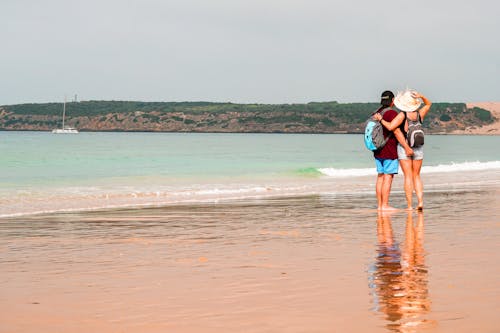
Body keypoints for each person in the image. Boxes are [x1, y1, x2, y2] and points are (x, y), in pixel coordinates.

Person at [374, 90, 432, 211]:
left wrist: (381, 120)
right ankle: (420, 202)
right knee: (417, 176)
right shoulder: (419, 114)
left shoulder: (402, 115)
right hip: (418, 147)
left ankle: (410, 206)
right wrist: (421, 96)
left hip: (404, 148)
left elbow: (391, 127)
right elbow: (428, 104)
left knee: (408, 177)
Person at [373, 91, 414, 211]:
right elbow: (395, 131)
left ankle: (380, 205)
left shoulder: (377, 112)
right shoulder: (391, 113)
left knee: (380, 177)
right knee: (388, 177)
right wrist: (406, 147)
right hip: (389, 149)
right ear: (392, 100)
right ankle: (385, 205)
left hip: (377, 149)